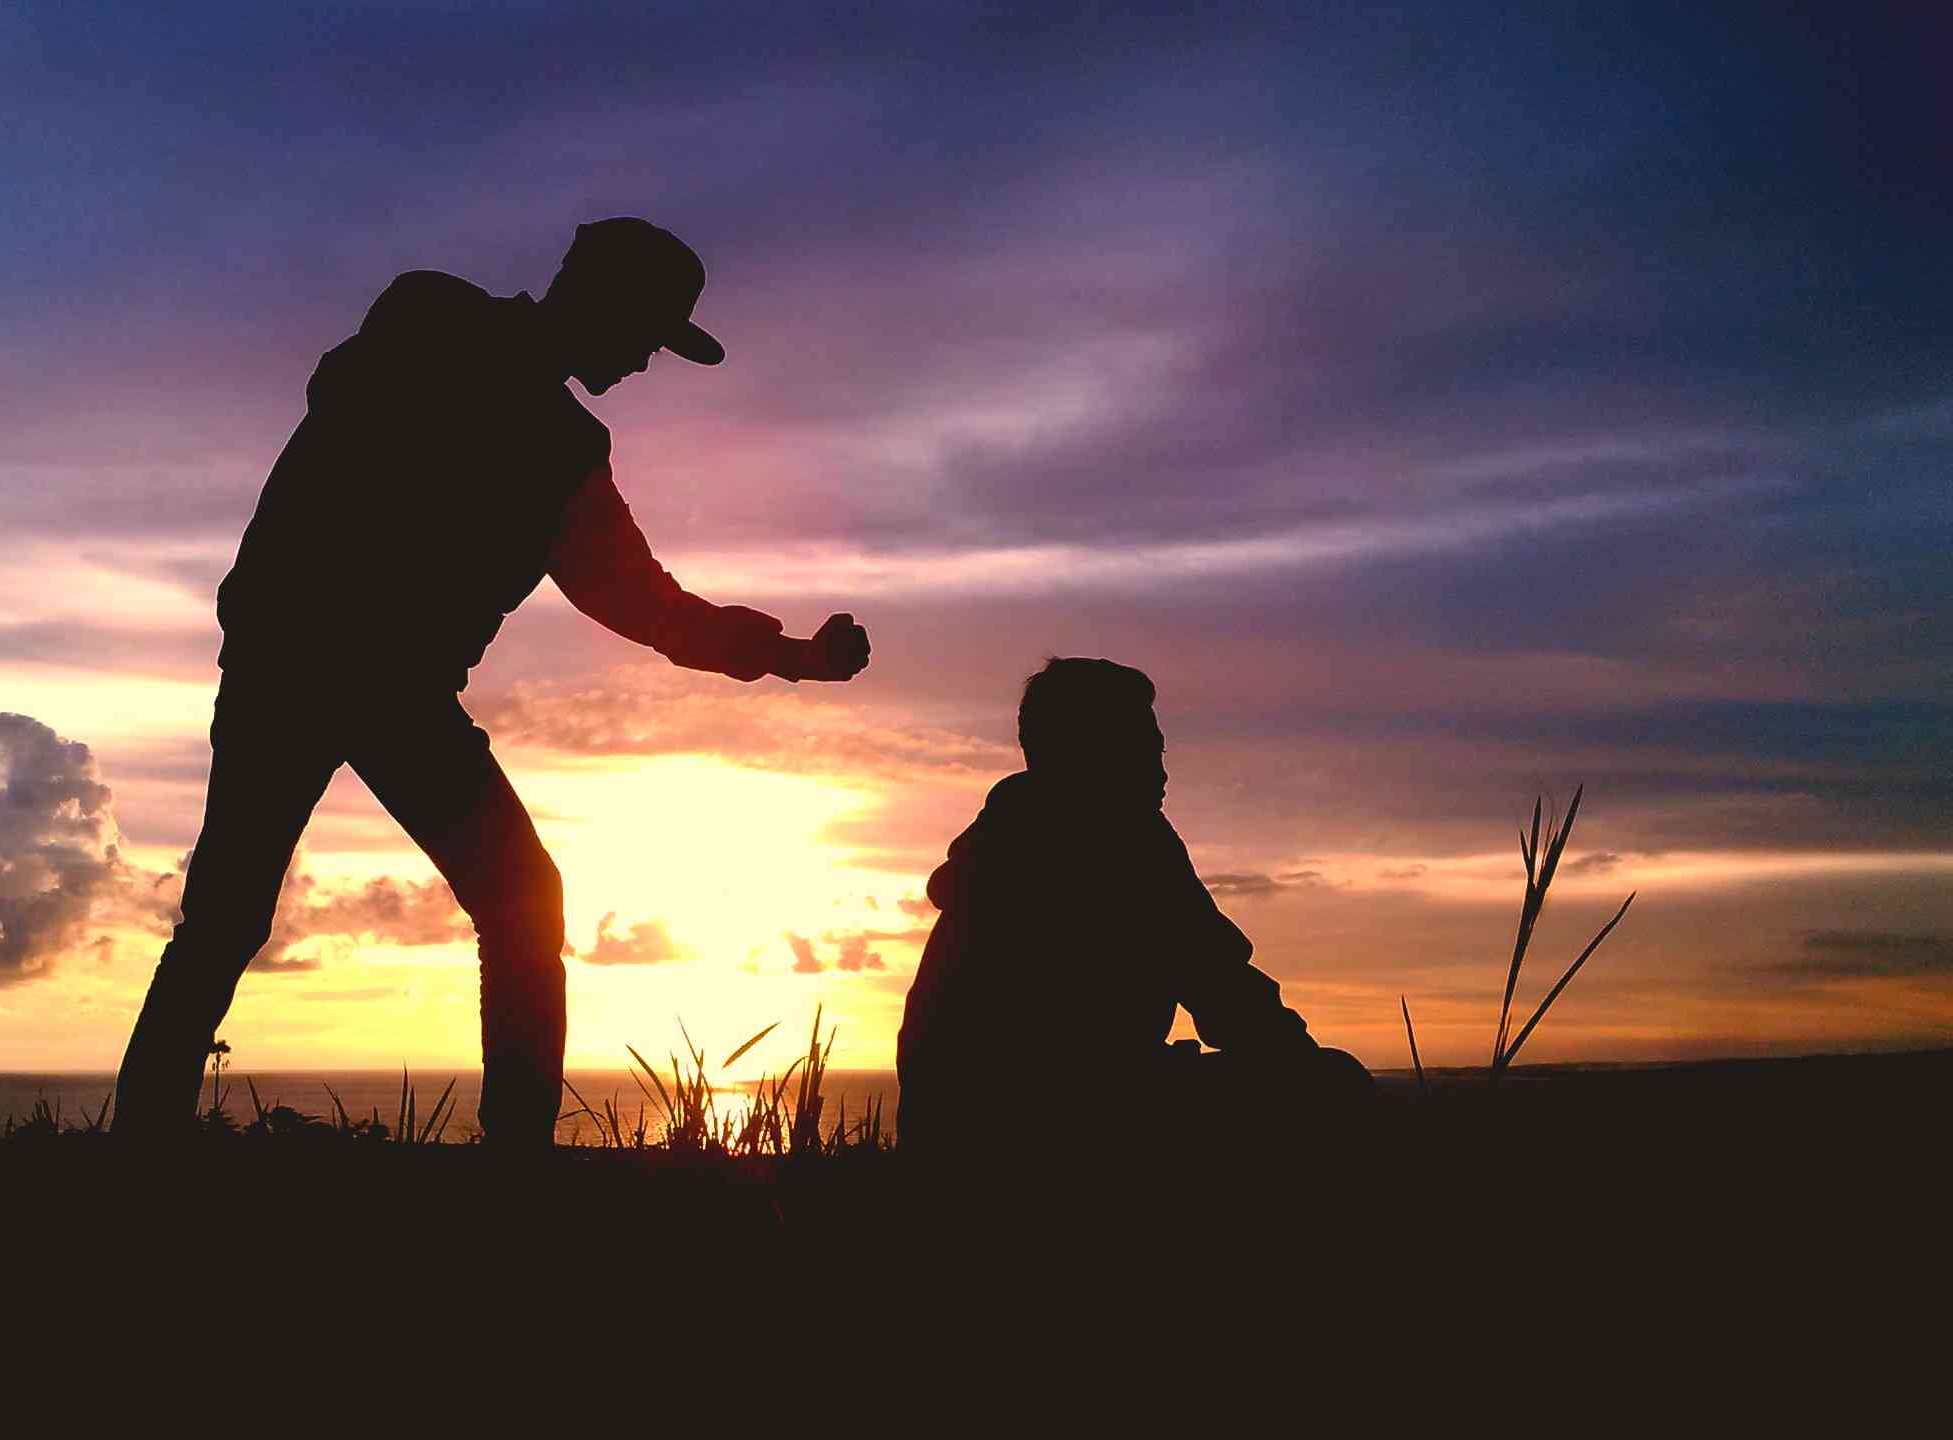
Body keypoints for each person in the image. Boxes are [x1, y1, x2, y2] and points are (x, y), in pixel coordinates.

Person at [116, 218, 870, 1143]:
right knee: (232, 917)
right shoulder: (432, 318)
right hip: (300, 665)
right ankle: (145, 1147)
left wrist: (795, 657)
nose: (642, 364)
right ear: (602, 302)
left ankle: (514, 1157)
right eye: (645, 335)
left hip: (387, 692)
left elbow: (644, 604)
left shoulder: (564, 445)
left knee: (506, 901)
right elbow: (347, 398)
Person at [894, 658, 1369, 1155]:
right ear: (1092, 753)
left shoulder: (998, 844)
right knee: (1334, 1084)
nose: (1161, 771)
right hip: (1062, 1123)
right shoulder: (1127, 840)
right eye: (1143, 749)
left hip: (948, 1131)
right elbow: (1223, 989)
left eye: (1158, 751)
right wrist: (1303, 1067)